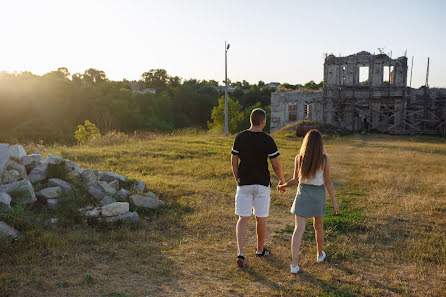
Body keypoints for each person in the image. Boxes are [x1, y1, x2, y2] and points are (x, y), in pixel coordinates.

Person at [277, 129, 339, 274]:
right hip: (318, 194)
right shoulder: (324, 159)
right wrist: (334, 202)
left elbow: (295, 180)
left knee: (298, 229)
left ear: (306, 142)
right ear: (320, 144)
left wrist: (282, 185)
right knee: (318, 227)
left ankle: (294, 265)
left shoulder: (299, 158)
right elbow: (327, 181)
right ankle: (319, 255)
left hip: (303, 193)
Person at [231, 108, 285, 268]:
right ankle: (260, 250)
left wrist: (237, 178)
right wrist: (282, 181)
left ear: (250, 120)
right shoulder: (267, 140)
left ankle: (240, 253)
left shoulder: (239, 137)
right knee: (260, 219)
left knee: (243, 218)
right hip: (262, 184)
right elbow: (275, 165)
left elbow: (234, 161)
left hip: (244, 183)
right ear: (263, 122)